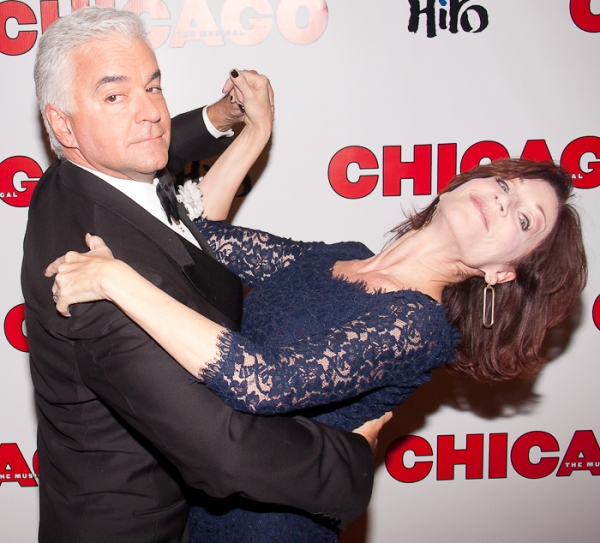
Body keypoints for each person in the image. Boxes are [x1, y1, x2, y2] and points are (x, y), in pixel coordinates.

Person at [46, 156, 588, 542]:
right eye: (505, 183)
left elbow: (263, 381)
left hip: (265, 527)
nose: (501, 197)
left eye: (523, 219)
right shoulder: (343, 255)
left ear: (501, 272)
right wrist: (253, 132)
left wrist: (117, 281)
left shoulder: (419, 324)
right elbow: (201, 240)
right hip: (190, 499)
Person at [22, 7, 379, 543]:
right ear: (61, 124)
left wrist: (220, 115)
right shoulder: (93, 285)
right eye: (115, 96)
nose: (151, 114)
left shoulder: (72, 180)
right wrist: (350, 460)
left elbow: (148, 150)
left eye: (154, 86)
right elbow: (226, 449)